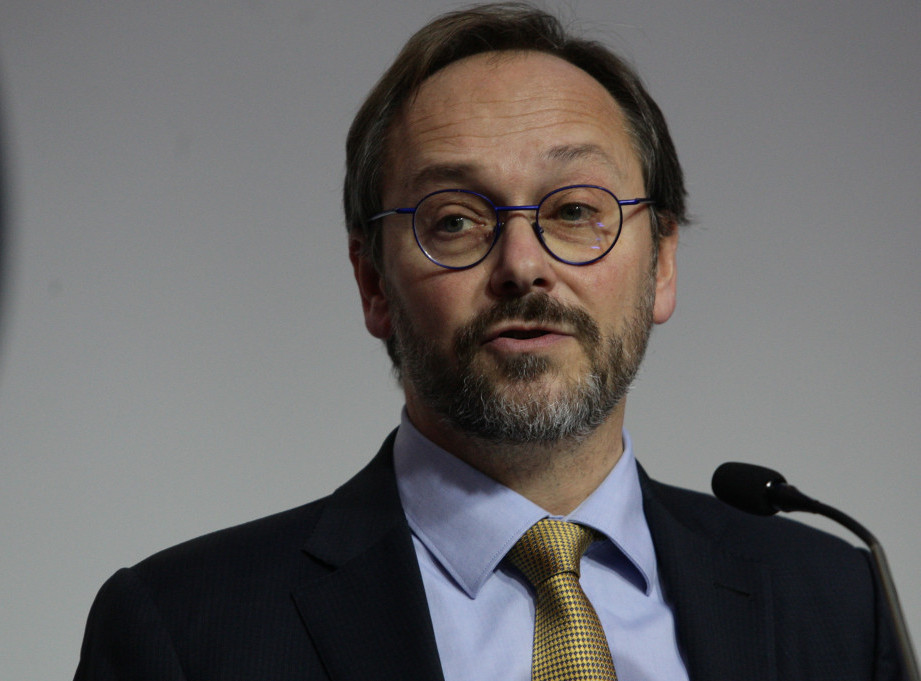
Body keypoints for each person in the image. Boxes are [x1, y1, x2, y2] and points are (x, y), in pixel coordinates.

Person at [73, 4, 905, 680]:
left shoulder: (834, 599)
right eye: (455, 221)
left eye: (573, 211)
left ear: (661, 266)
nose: (521, 265)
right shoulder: (185, 631)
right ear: (372, 283)